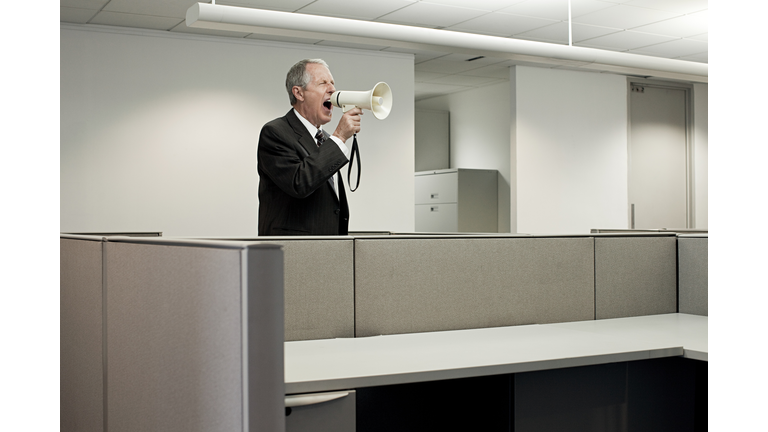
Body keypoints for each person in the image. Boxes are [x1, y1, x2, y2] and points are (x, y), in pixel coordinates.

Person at [257, 59, 363, 236]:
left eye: (332, 83)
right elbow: (299, 183)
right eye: (323, 83)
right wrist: (340, 137)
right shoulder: (275, 133)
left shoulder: (327, 140)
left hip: (329, 247)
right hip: (294, 249)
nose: (332, 89)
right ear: (299, 93)